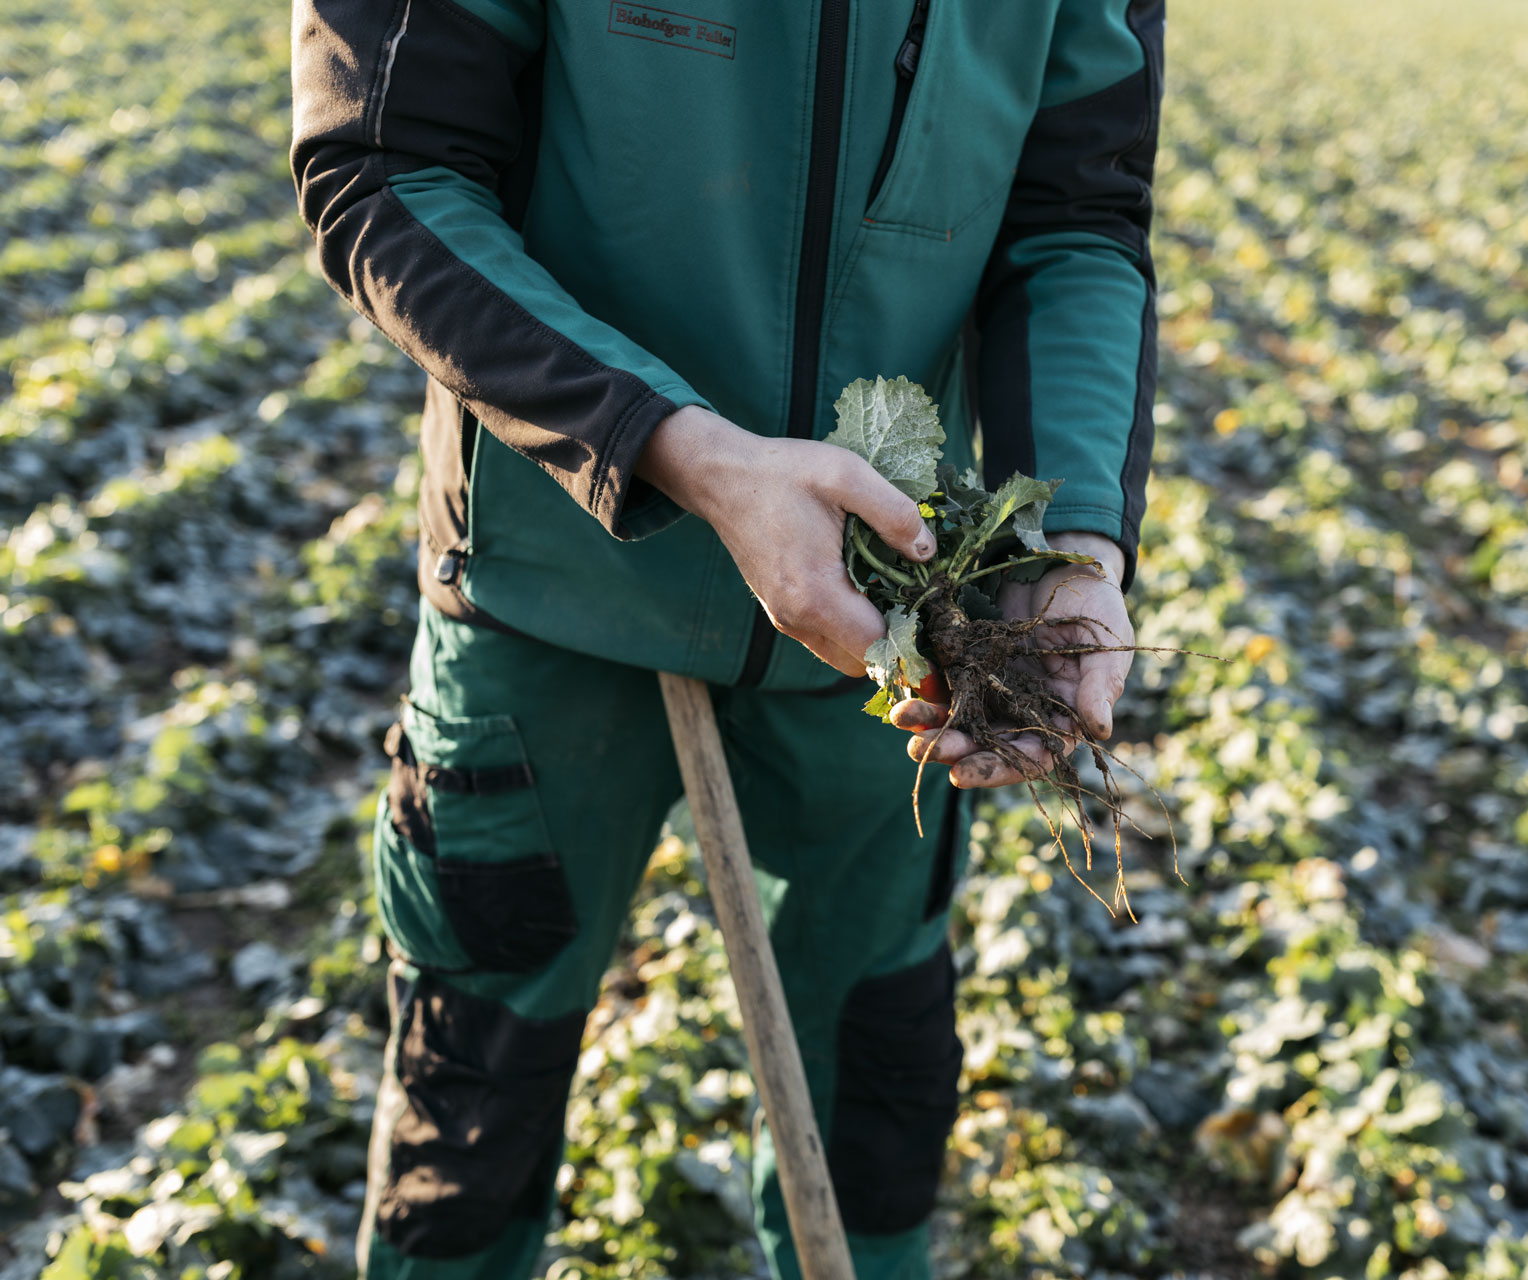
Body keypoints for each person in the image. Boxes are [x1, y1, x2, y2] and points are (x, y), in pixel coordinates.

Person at [288, 0, 1162, 1273]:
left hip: (885, 613)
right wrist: (680, 449)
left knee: (873, 1092)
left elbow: (1075, 214)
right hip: (553, 585)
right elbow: (382, 162)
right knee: (477, 1093)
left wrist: (1073, 541)